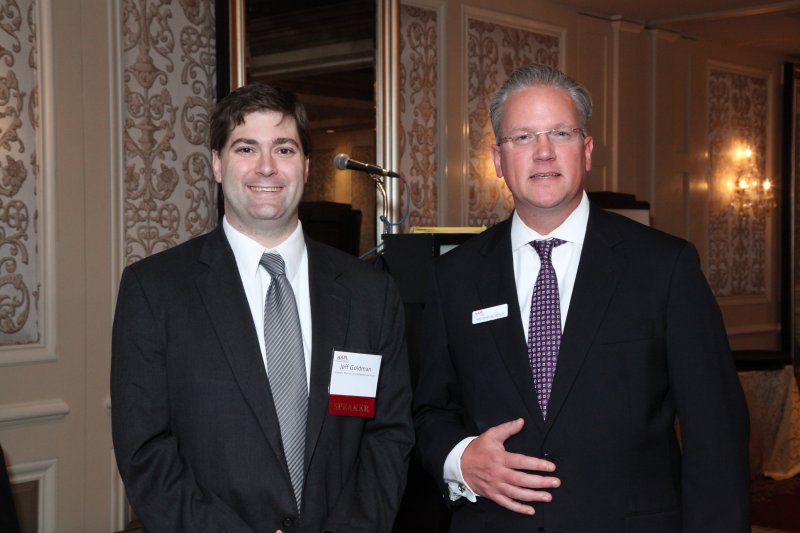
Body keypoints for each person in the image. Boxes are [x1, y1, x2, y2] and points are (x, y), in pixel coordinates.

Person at [412, 64, 750, 532]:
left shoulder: (664, 267)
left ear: (586, 150)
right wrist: (460, 458)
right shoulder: (454, 277)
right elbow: (429, 411)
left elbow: (716, 434)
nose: (543, 152)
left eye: (561, 133)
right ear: (497, 159)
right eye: (523, 137)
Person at [111, 83, 414, 533]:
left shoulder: (371, 293)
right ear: (217, 164)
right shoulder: (154, 291)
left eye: (284, 149)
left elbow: (388, 436)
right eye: (246, 148)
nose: (267, 166)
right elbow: (146, 452)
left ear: (305, 165)